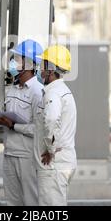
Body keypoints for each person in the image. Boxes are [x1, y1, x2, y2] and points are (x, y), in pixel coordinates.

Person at [0, 39, 44, 206]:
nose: (13, 62)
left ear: (29, 64)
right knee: (12, 203)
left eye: (18, 59)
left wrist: (13, 125)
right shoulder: (12, 89)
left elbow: (39, 130)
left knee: (31, 202)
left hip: (27, 156)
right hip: (9, 153)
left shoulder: (38, 92)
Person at [34, 44, 77, 206]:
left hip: (53, 164)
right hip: (63, 162)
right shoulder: (63, 90)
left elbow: (51, 120)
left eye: (43, 64)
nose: (40, 69)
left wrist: (50, 151)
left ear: (51, 70)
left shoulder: (53, 93)